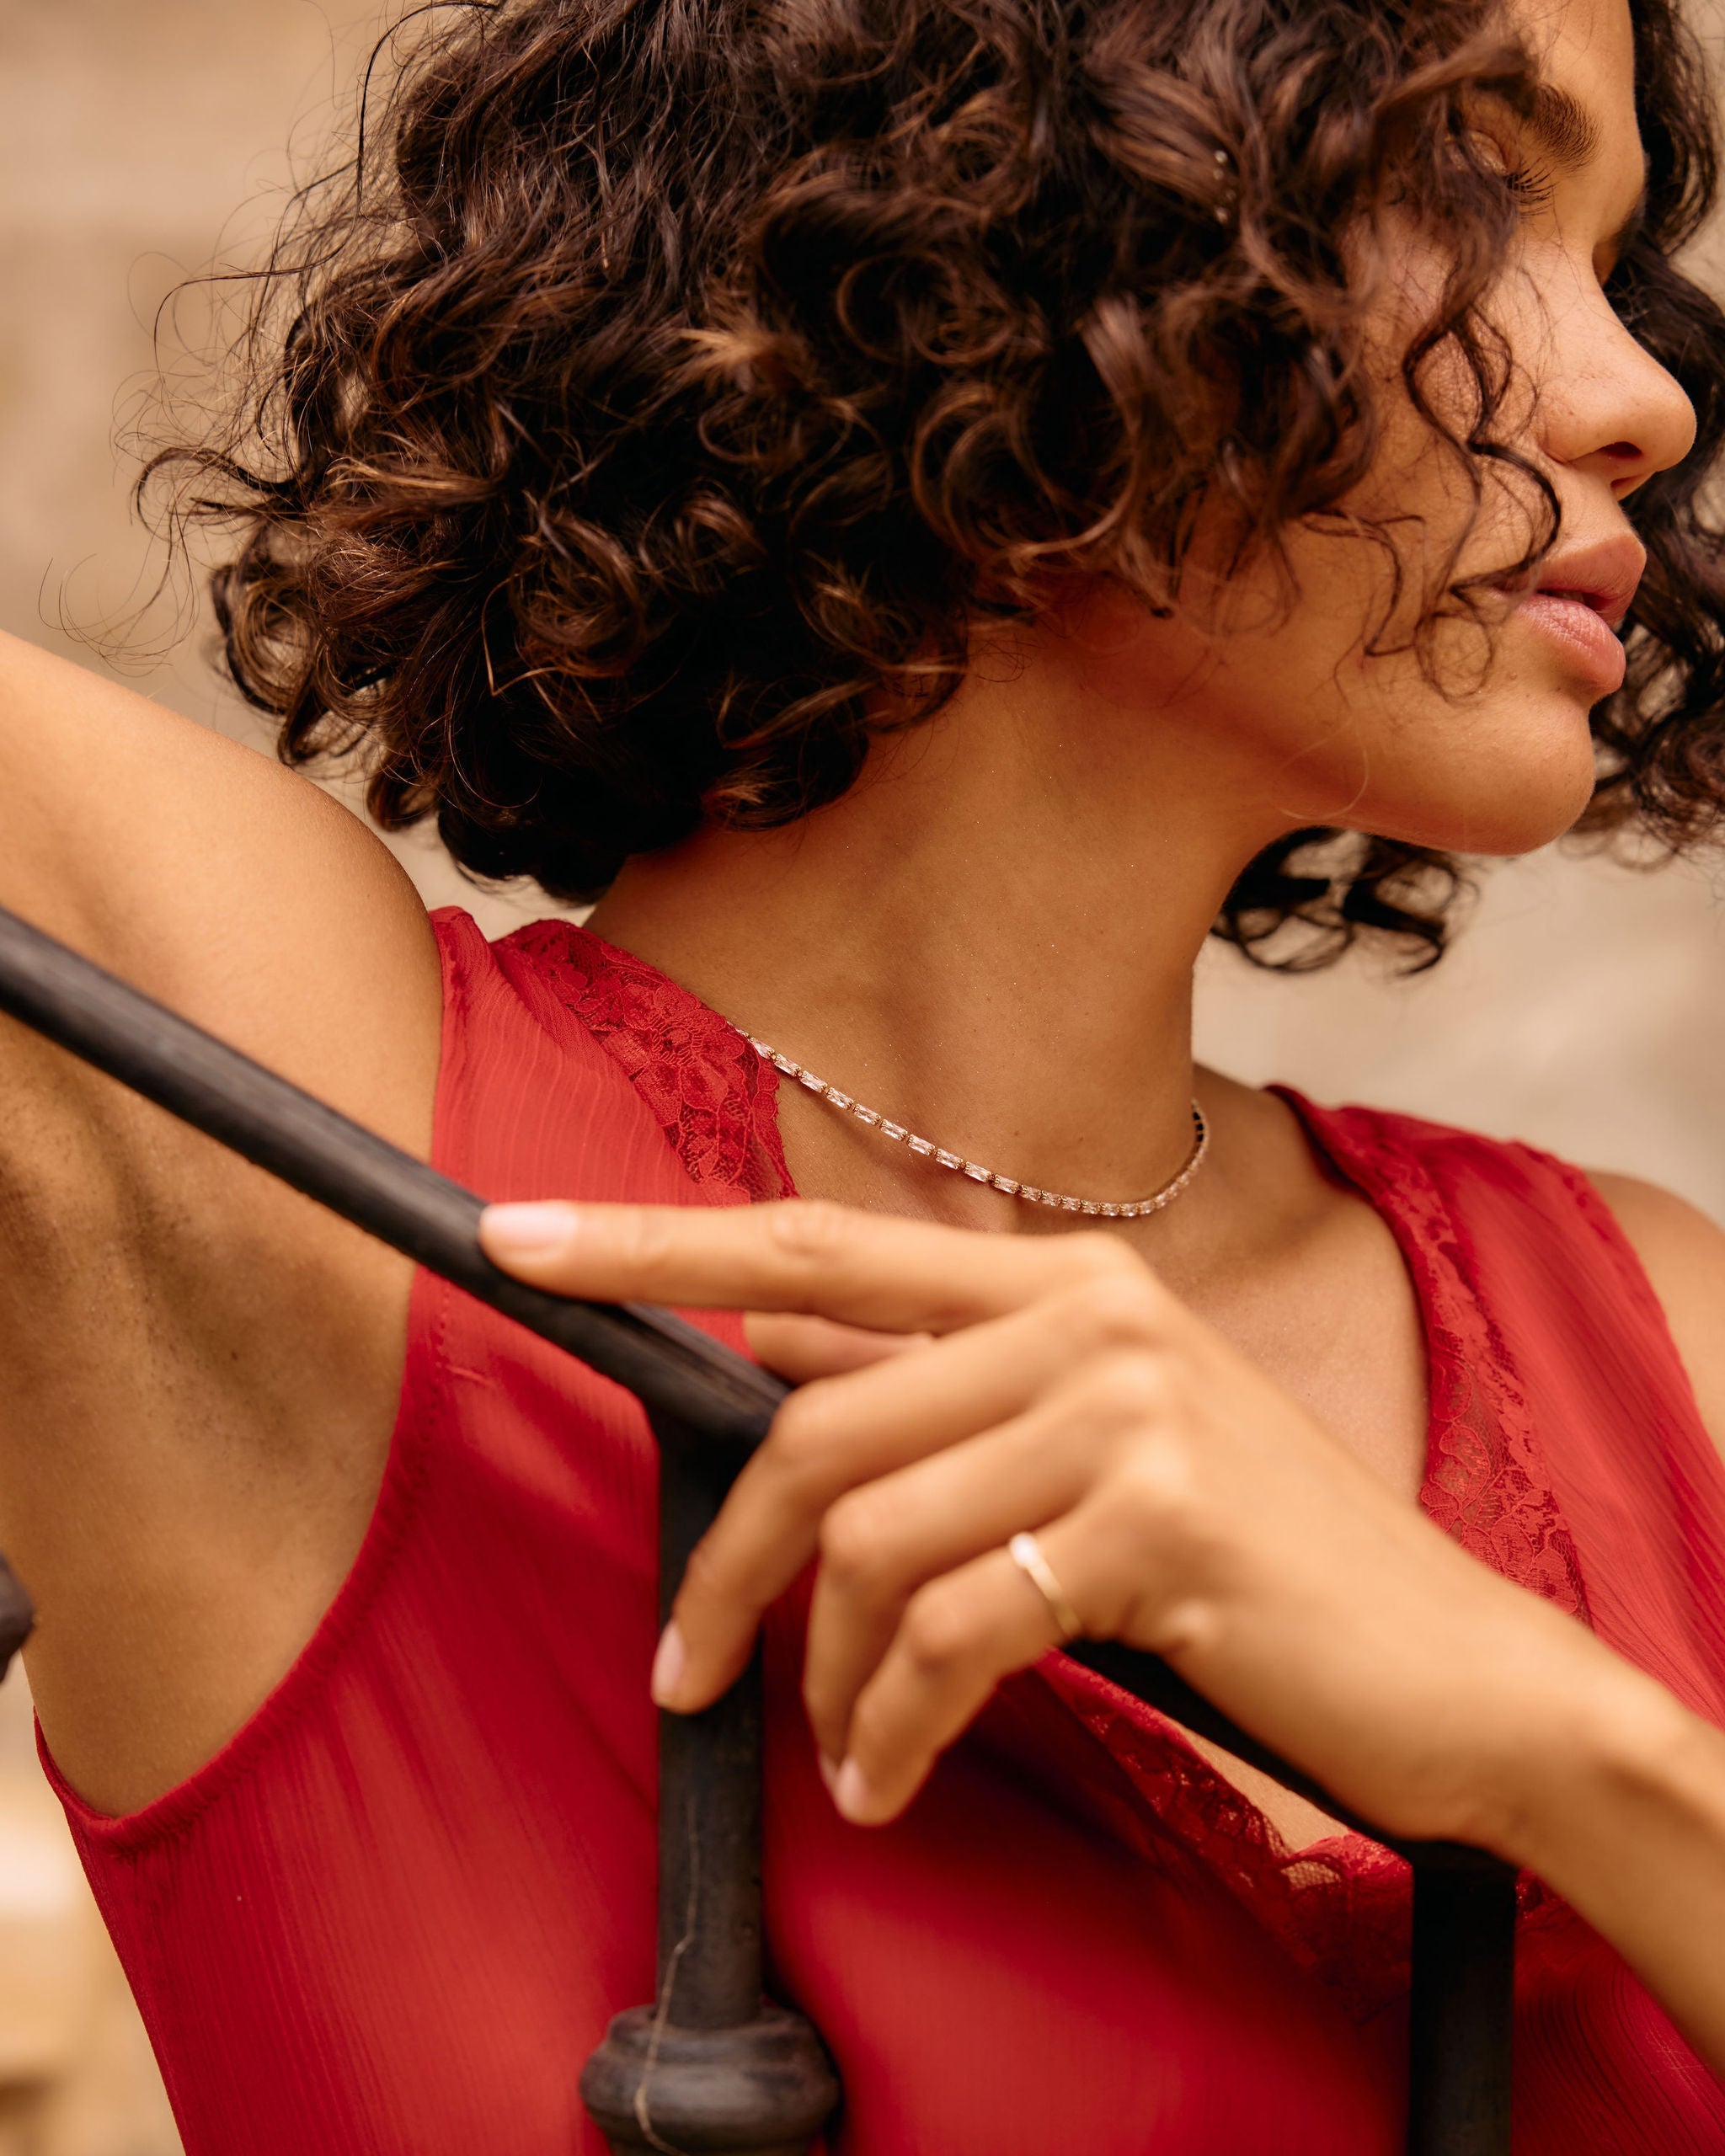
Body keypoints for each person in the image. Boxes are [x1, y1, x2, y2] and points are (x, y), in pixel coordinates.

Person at [1, 0, 1723, 2145]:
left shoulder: (1666, 1340)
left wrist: (1577, 1752)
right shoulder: (290, 1097)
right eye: (1470, 179)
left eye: (1619, 250)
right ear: (991, 199)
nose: (1649, 391)